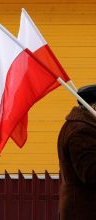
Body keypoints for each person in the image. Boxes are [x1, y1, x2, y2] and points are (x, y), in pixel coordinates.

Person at [57, 84, 96, 220]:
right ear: (94, 107)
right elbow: (91, 173)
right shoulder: (81, 131)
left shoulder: (80, 126)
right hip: (84, 210)